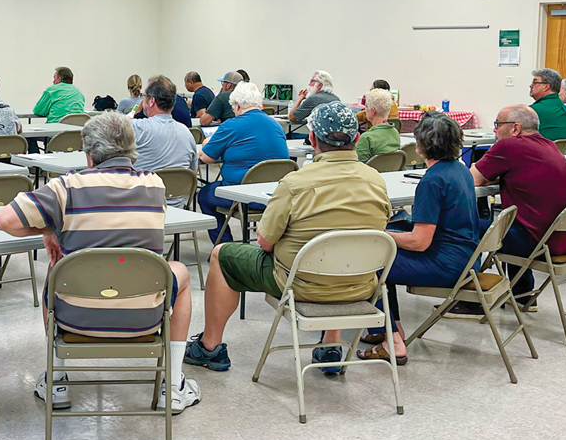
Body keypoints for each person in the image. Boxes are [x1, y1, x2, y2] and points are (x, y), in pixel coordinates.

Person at [0, 112, 201, 413]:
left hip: (76, 316)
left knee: (57, 269)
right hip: (144, 317)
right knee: (179, 271)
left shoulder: (67, 187)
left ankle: (58, 379)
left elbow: (4, 220)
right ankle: (173, 384)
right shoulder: (154, 186)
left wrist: (50, 228)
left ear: (89, 155)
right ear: (132, 149)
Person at [185, 102, 392, 376]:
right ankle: (331, 347)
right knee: (342, 255)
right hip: (360, 286)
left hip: (300, 285)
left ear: (314, 139)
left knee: (221, 255)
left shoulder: (295, 183)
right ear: (356, 138)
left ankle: (210, 347)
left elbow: (265, 243)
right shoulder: (377, 181)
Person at [358, 113, 480, 364]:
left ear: (421, 145)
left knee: (371, 263)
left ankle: (393, 341)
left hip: (446, 264)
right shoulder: (461, 170)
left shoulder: (432, 181)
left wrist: (381, 235)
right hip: (468, 258)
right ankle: (387, 329)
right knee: (389, 246)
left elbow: (419, 242)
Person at [465, 105, 566, 313]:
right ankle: (523, 295)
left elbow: (470, 179)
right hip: (565, 239)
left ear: (515, 128)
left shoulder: (509, 146)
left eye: (498, 125)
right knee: (517, 219)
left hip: (536, 242)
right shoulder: (550, 146)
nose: (494, 131)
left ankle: (470, 301)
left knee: (465, 227)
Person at [197, 81, 289, 243]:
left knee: (205, 194)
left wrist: (206, 143)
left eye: (233, 107)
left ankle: (224, 246)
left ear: (238, 105)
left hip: (241, 194)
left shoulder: (232, 125)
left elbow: (206, 157)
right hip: (274, 195)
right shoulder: (276, 125)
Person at [131, 76, 199, 206]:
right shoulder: (186, 133)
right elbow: (192, 174)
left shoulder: (137, 128)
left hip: (141, 209)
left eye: (143, 96)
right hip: (177, 209)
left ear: (151, 101)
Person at [355, 88, 401, 162]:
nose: (365, 110)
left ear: (373, 111)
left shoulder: (366, 138)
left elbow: (360, 166)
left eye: (366, 107)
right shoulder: (395, 133)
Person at [528, 68, 566, 141]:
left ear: (546, 87)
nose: (531, 85)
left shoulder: (533, 111)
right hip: (560, 151)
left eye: (535, 82)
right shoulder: (562, 107)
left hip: (541, 151)